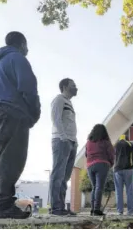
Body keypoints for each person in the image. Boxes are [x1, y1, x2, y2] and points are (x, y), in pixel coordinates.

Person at [0, 31, 41, 219]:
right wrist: (34, 112)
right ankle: (4, 205)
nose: (27, 50)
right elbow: (28, 88)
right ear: (21, 44)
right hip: (13, 113)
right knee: (11, 159)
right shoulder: (18, 59)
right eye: (26, 46)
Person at [50, 78, 78, 216]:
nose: (76, 88)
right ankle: (55, 208)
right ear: (65, 86)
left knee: (65, 177)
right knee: (58, 174)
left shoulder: (70, 103)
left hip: (72, 142)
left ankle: (60, 206)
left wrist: (74, 141)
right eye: (73, 85)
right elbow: (55, 118)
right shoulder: (59, 99)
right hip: (61, 140)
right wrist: (63, 137)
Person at [85, 124, 115, 216]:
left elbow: (86, 154)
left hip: (90, 165)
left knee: (94, 187)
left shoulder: (88, 142)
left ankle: (93, 209)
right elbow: (111, 154)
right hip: (102, 164)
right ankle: (97, 209)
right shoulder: (105, 142)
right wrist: (110, 163)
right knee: (99, 187)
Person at [114, 135, 133, 216]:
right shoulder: (130, 144)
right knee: (129, 191)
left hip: (117, 169)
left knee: (118, 191)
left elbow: (113, 157)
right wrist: (132, 166)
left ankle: (120, 211)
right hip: (128, 169)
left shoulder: (116, 145)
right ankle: (130, 211)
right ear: (127, 138)